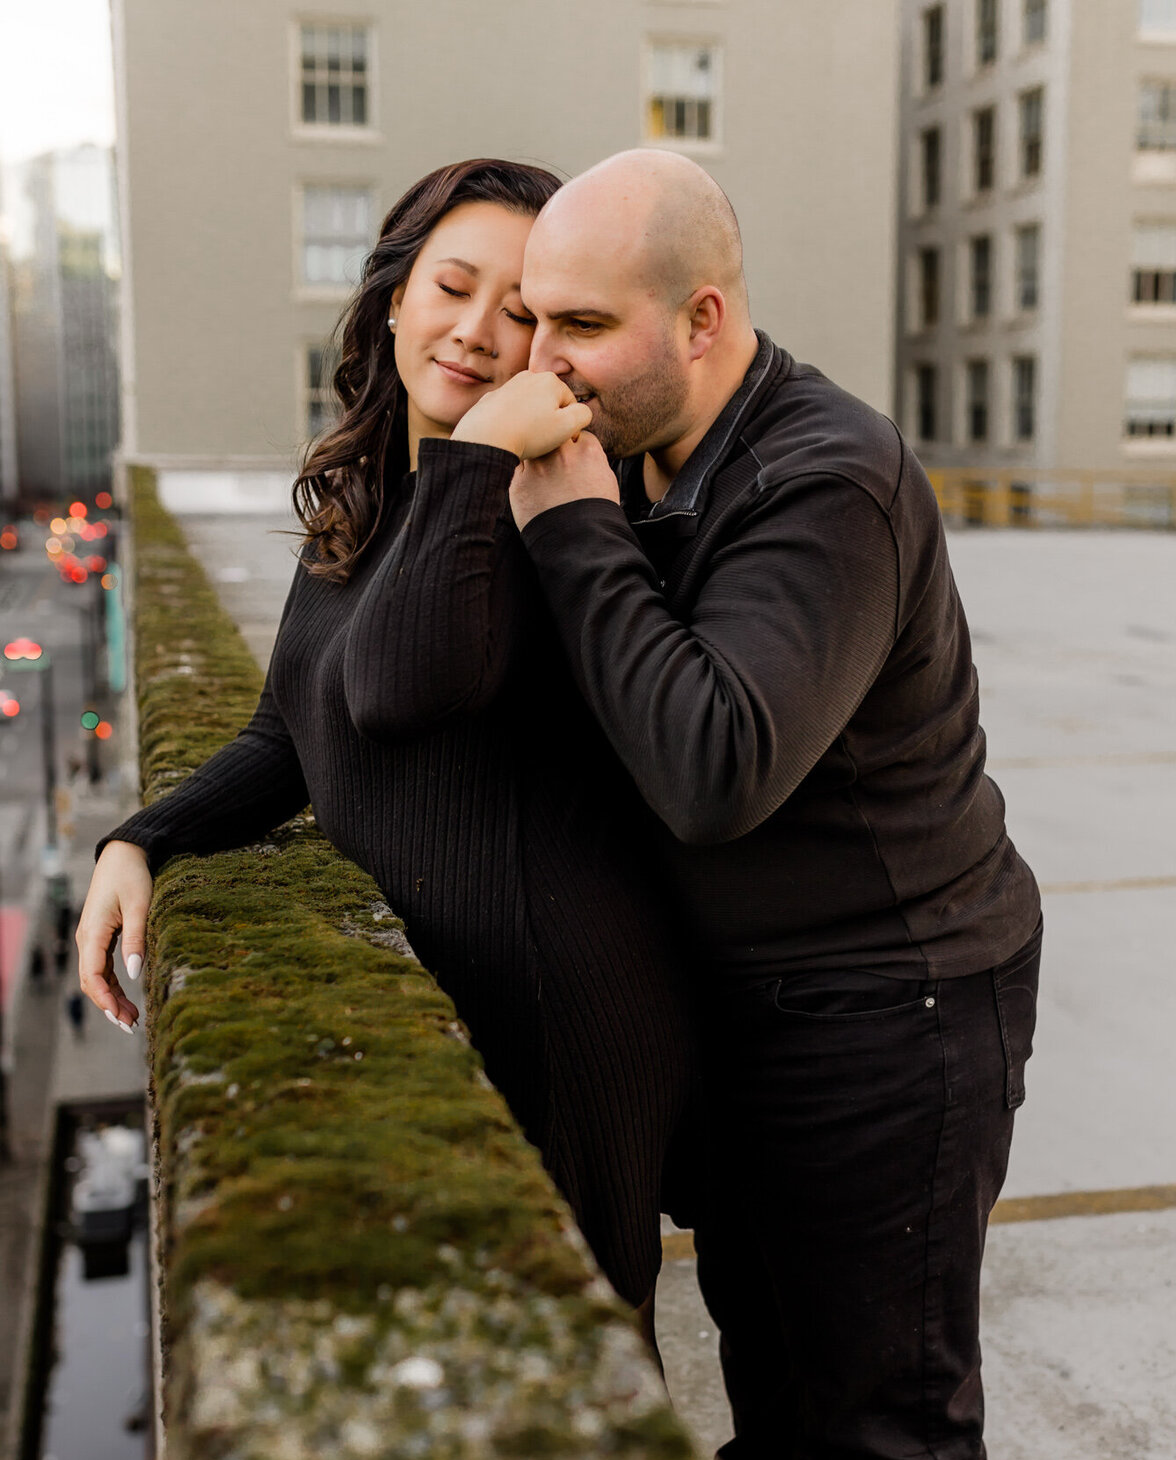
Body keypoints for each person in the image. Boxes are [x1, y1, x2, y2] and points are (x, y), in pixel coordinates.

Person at [504, 148, 1043, 1460]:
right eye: (533, 318)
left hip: (903, 1001)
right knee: (769, 1351)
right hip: (755, 1008)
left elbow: (715, 761)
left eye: (580, 323)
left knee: (888, 1402)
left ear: (707, 315)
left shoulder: (828, 477)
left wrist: (566, 525)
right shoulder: (649, 443)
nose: (544, 363)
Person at [74, 158, 704, 1327]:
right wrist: (141, 837)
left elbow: (401, 687)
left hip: (560, 1006)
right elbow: (291, 725)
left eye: (521, 312)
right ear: (395, 297)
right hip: (446, 988)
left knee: (569, 1360)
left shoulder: (553, 498)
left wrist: (477, 461)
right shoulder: (380, 489)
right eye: (451, 287)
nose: (475, 332)